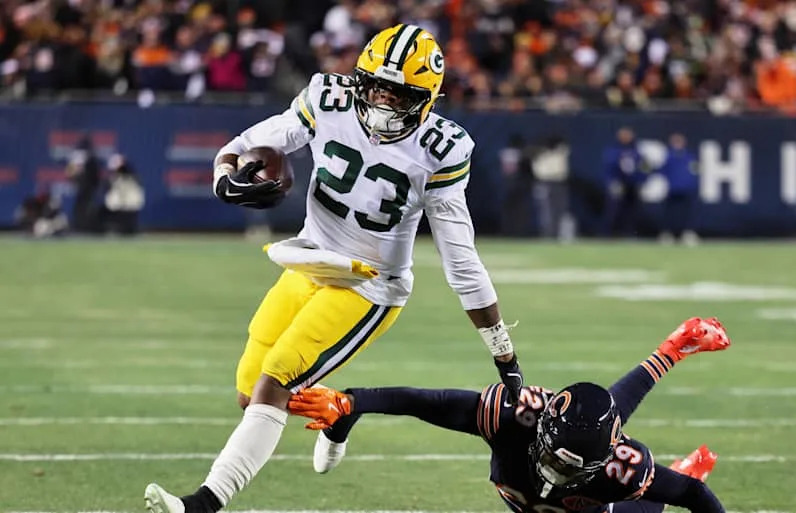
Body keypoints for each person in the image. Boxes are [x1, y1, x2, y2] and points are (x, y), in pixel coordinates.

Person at [144, 24, 524, 513]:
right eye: (377, 88)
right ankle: (338, 412)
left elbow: (460, 258)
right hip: (308, 261)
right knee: (249, 393)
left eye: (399, 94)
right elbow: (250, 141)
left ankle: (201, 505)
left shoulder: (442, 149)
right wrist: (224, 174)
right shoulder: (328, 97)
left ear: (426, 99)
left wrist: (503, 353)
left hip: (368, 285)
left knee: (274, 384)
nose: (383, 104)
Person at [288, 317, 731, 513]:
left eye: (567, 465)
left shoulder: (622, 468)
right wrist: (352, 402)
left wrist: (686, 485)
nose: (554, 469)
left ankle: (674, 359)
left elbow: (693, 497)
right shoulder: (514, 417)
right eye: (555, 456)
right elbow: (427, 403)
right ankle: (674, 347)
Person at [603, 128, 648, 238]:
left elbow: (645, 167)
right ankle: (611, 234)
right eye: (624, 135)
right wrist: (611, 182)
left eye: (628, 135)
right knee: (614, 210)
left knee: (632, 211)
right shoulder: (613, 151)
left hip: (632, 184)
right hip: (619, 183)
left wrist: (641, 180)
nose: (626, 138)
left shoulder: (637, 152)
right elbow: (608, 168)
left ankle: (630, 233)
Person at [657, 134, 700, 246]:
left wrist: (692, 184)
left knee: (687, 213)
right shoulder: (668, 156)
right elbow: (662, 171)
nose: (677, 144)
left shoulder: (689, 156)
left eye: (679, 141)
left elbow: (695, 172)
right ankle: (667, 234)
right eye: (675, 141)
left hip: (686, 188)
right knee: (670, 213)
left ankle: (687, 233)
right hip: (672, 189)